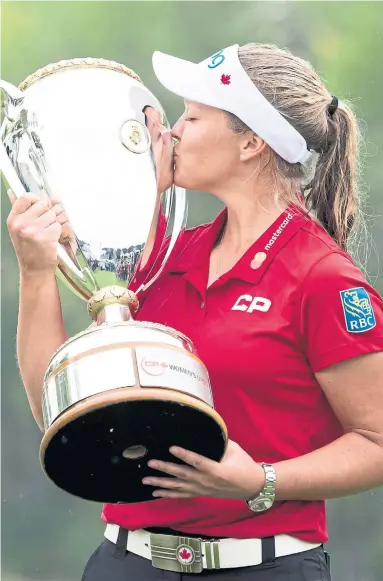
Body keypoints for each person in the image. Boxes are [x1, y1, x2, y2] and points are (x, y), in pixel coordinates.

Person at [6, 43, 383, 581]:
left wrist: (264, 481)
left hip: (263, 568)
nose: (172, 131)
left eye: (192, 116)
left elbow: (376, 442)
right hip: (126, 563)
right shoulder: (162, 255)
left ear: (251, 142)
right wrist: (37, 271)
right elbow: (60, 413)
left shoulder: (322, 277)